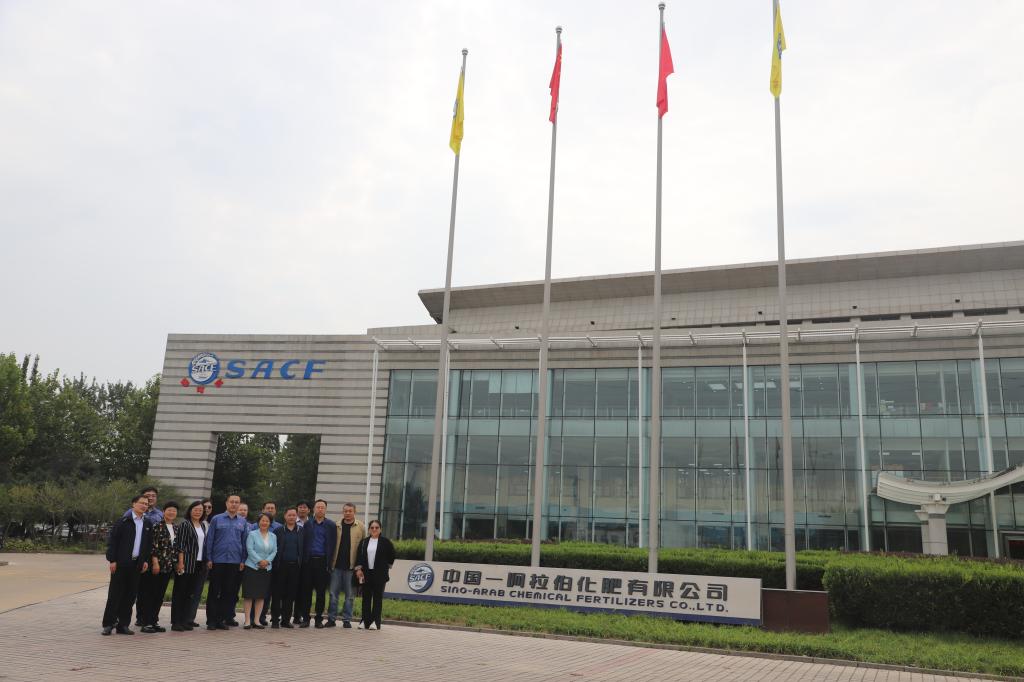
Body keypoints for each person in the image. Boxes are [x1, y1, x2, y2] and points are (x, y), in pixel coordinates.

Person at [102, 494, 152, 636]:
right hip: (120, 563)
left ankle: (123, 625)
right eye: (141, 503)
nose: (144, 506)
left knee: (130, 596)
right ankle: (108, 624)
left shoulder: (147, 523)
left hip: (137, 564)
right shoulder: (123, 521)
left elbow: (148, 544)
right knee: (114, 595)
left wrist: (145, 560)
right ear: (134, 504)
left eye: (146, 504)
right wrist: (112, 560)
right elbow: (113, 542)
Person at [204, 493, 248, 630]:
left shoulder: (242, 522)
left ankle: (220, 620)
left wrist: (243, 560)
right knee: (214, 591)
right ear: (226, 503)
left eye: (236, 502)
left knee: (228, 592)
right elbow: (210, 539)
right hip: (217, 560)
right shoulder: (216, 519)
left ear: (239, 504)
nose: (234, 504)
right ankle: (211, 621)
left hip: (234, 561)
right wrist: (209, 557)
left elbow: (244, 542)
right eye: (231, 501)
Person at [125, 486, 163, 626]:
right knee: (129, 590)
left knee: (146, 590)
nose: (150, 498)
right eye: (147, 495)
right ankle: (121, 619)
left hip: (151, 556)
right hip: (133, 556)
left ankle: (142, 618)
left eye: (153, 495)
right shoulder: (130, 513)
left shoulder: (160, 514)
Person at [140, 501, 178, 633]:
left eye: (174, 511)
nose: (172, 513)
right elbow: (153, 546)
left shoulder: (175, 527)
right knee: (151, 594)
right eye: (169, 510)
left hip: (168, 566)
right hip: (157, 565)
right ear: (163, 512)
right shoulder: (157, 526)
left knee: (159, 595)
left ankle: (154, 621)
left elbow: (175, 547)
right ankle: (146, 623)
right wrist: (155, 563)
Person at [327, 502, 365, 628]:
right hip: (336, 566)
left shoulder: (361, 527)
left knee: (350, 596)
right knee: (333, 594)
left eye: (350, 511)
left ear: (355, 512)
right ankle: (331, 619)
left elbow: (363, 547)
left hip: (351, 568)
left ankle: (347, 620)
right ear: (342, 512)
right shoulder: (336, 525)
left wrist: (359, 567)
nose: (347, 513)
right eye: (345, 511)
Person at [299, 499, 336, 628]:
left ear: (325, 509)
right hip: (308, 561)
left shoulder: (331, 525)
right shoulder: (307, 524)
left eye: (322, 507)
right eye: (318, 507)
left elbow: (333, 544)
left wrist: (330, 563)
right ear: (314, 509)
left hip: (322, 562)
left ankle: (318, 619)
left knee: (321, 592)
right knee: (306, 592)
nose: (320, 509)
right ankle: (306, 618)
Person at [354, 519, 395, 631]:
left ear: (380, 529)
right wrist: (358, 569)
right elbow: (359, 556)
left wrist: (386, 566)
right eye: (372, 527)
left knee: (377, 598)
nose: (374, 529)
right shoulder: (364, 542)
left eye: (377, 527)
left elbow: (392, 555)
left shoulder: (385, 542)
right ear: (369, 529)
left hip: (379, 575)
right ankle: (364, 621)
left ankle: (375, 622)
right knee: (366, 598)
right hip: (366, 573)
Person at [171, 501, 205, 631]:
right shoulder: (185, 525)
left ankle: (185, 620)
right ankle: (176, 622)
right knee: (180, 592)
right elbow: (180, 545)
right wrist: (180, 563)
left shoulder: (202, 525)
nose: (198, 512)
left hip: (199, 563)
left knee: (190, 593)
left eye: (200, 510)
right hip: (186, 563)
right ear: (190, 511)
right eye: (195, 509)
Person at [242, 513, 278, 629]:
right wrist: (259, 561)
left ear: (270, 523)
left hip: (266, 568)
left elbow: (274, 551)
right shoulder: (252, 534)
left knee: (261, 596)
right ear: (258, 522)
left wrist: (267, 561)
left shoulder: (273, 536)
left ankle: (257, 620)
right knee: (249, 595)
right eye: (262, 520)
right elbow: (250, 549)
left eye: (267, 521)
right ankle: (247, 621)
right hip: (252, 567)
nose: (264, 523)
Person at [250, 501, 282, 626]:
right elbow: (249, 546)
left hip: (270, 565)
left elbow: (276, 548)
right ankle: (251, 617)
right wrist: (258, 561)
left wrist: (268, 561)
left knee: (266, 592)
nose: (270, 510)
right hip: (254, 565)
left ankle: (261, 617)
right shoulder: (254, 527)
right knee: (253, 591)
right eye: (267, 508)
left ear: (275, 511)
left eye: (272, 508)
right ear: (262, 510)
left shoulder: (279, 527)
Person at [271, 507, 303, 629]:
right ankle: (275, 620)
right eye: (289, 515)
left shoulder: (301, 531)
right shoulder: (278, 531)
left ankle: (286, 620)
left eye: (294, 515)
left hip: (295, 567)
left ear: (296, 517)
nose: (292, 517)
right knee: (277, 594)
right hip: (280, 566)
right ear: (285, 516)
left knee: (290, 595)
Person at [187, 498, 213, 627]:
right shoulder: (187, 524)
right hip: (190, 562)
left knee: (197, 591)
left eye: (209, 507)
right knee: (187, 591)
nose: (206, 509)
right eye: (204, 507)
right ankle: (183, 618)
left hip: (203, 562)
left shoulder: (208, 524)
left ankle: (190, 618)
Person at [291, 500, 312, 625]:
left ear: (309, 510)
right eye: (300, 507)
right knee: (293, 588)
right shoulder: (292, 522)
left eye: (305, 507)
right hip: (294, 560)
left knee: (305, 590)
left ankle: (303, 615)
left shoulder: (312, 523)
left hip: (307, 561)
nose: (302, 509)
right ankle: (292, 615)